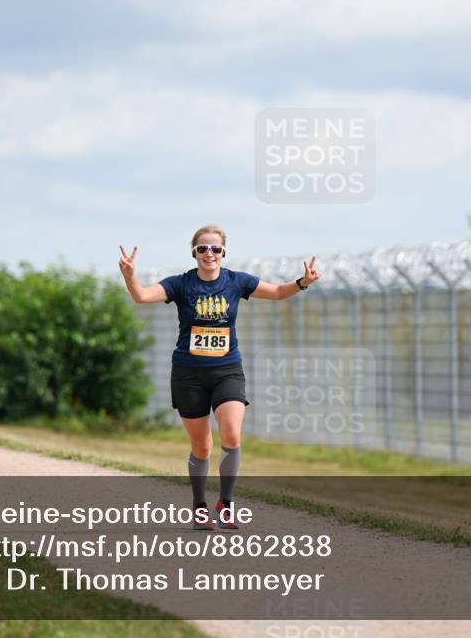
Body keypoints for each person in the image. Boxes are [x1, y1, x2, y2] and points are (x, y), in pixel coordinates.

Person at [119, 224, 321, 530]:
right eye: (203, 249)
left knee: (232, 434)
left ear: (223, 252)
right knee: (202, 448)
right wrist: (130, 275)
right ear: (194, 253)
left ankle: (225, 504)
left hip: (227, 370)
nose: (209, 254)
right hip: (188, 374)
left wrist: (303, 282)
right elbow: (142, 296)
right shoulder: (181, 284)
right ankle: (199, 507)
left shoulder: (236, 281)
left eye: (215, 249)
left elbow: (279, 293)